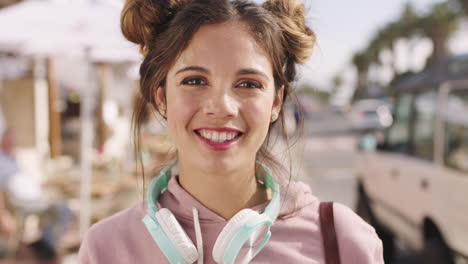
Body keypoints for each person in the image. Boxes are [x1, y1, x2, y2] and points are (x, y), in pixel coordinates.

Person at [79, 0, 384, 263]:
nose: (222, 107)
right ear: (161, 98)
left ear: (276, 102)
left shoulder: (344, 240)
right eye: (195, 81)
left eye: (249, 84)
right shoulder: (106, 248)